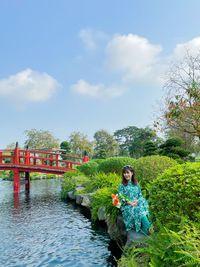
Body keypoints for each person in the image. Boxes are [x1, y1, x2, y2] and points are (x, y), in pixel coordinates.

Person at [118, 165, 151, 235]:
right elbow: (121, 197)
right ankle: (148, 227)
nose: (126, 175)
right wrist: (130, 203)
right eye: (124, 173)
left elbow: (140, 195)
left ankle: (149, 224)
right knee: (138, 209)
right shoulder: (122, 185)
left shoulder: (136, 184)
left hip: (136, 202)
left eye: (127, 173)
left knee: (144, 201)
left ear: (132, 173)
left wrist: (137, 200)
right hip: (127, 206)